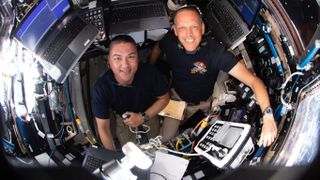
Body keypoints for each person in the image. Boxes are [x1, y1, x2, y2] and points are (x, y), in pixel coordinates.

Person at [150, 6, 277, 147]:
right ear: (175, 31)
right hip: (177, 98)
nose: (189, 34)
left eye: (194, 27)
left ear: (202, 28)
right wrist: (151, 67)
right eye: (182, 28)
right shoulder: (169, 42)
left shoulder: (216, 53)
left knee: (202, 143)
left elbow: (254, 81)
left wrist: (268, 116)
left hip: (204, 104)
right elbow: (157, 48)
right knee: (165, 140)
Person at [92, 35, 170, 150]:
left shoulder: (150, 73)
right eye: (117, 58)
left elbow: (164, 98)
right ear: (109, 60)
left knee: (155, 143)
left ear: (137, 58)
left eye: (131, 57)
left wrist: (143, 117)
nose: (125, 65)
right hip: (123, 120)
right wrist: (113, 158)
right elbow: (103, 128)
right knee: (128, 148)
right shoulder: (101, 88)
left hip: (149, 113)